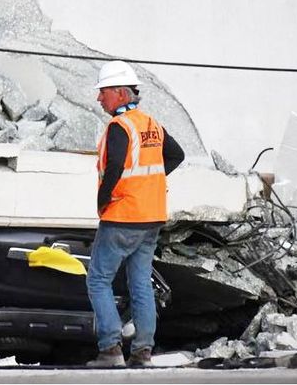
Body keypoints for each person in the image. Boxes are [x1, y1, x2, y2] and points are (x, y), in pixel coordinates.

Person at [86, 60, 185, 367]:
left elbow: (115, 166)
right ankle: (142, 353)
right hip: (152, 216)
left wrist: (103, 201)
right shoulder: (150, 124)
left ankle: (111, 350)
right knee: (140, 283)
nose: (99, 98)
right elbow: (176, 155)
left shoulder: (119, 127)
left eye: (103, 92)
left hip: (123, 214)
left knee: (98, 280)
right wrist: (149, 185)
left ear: (119, 92)